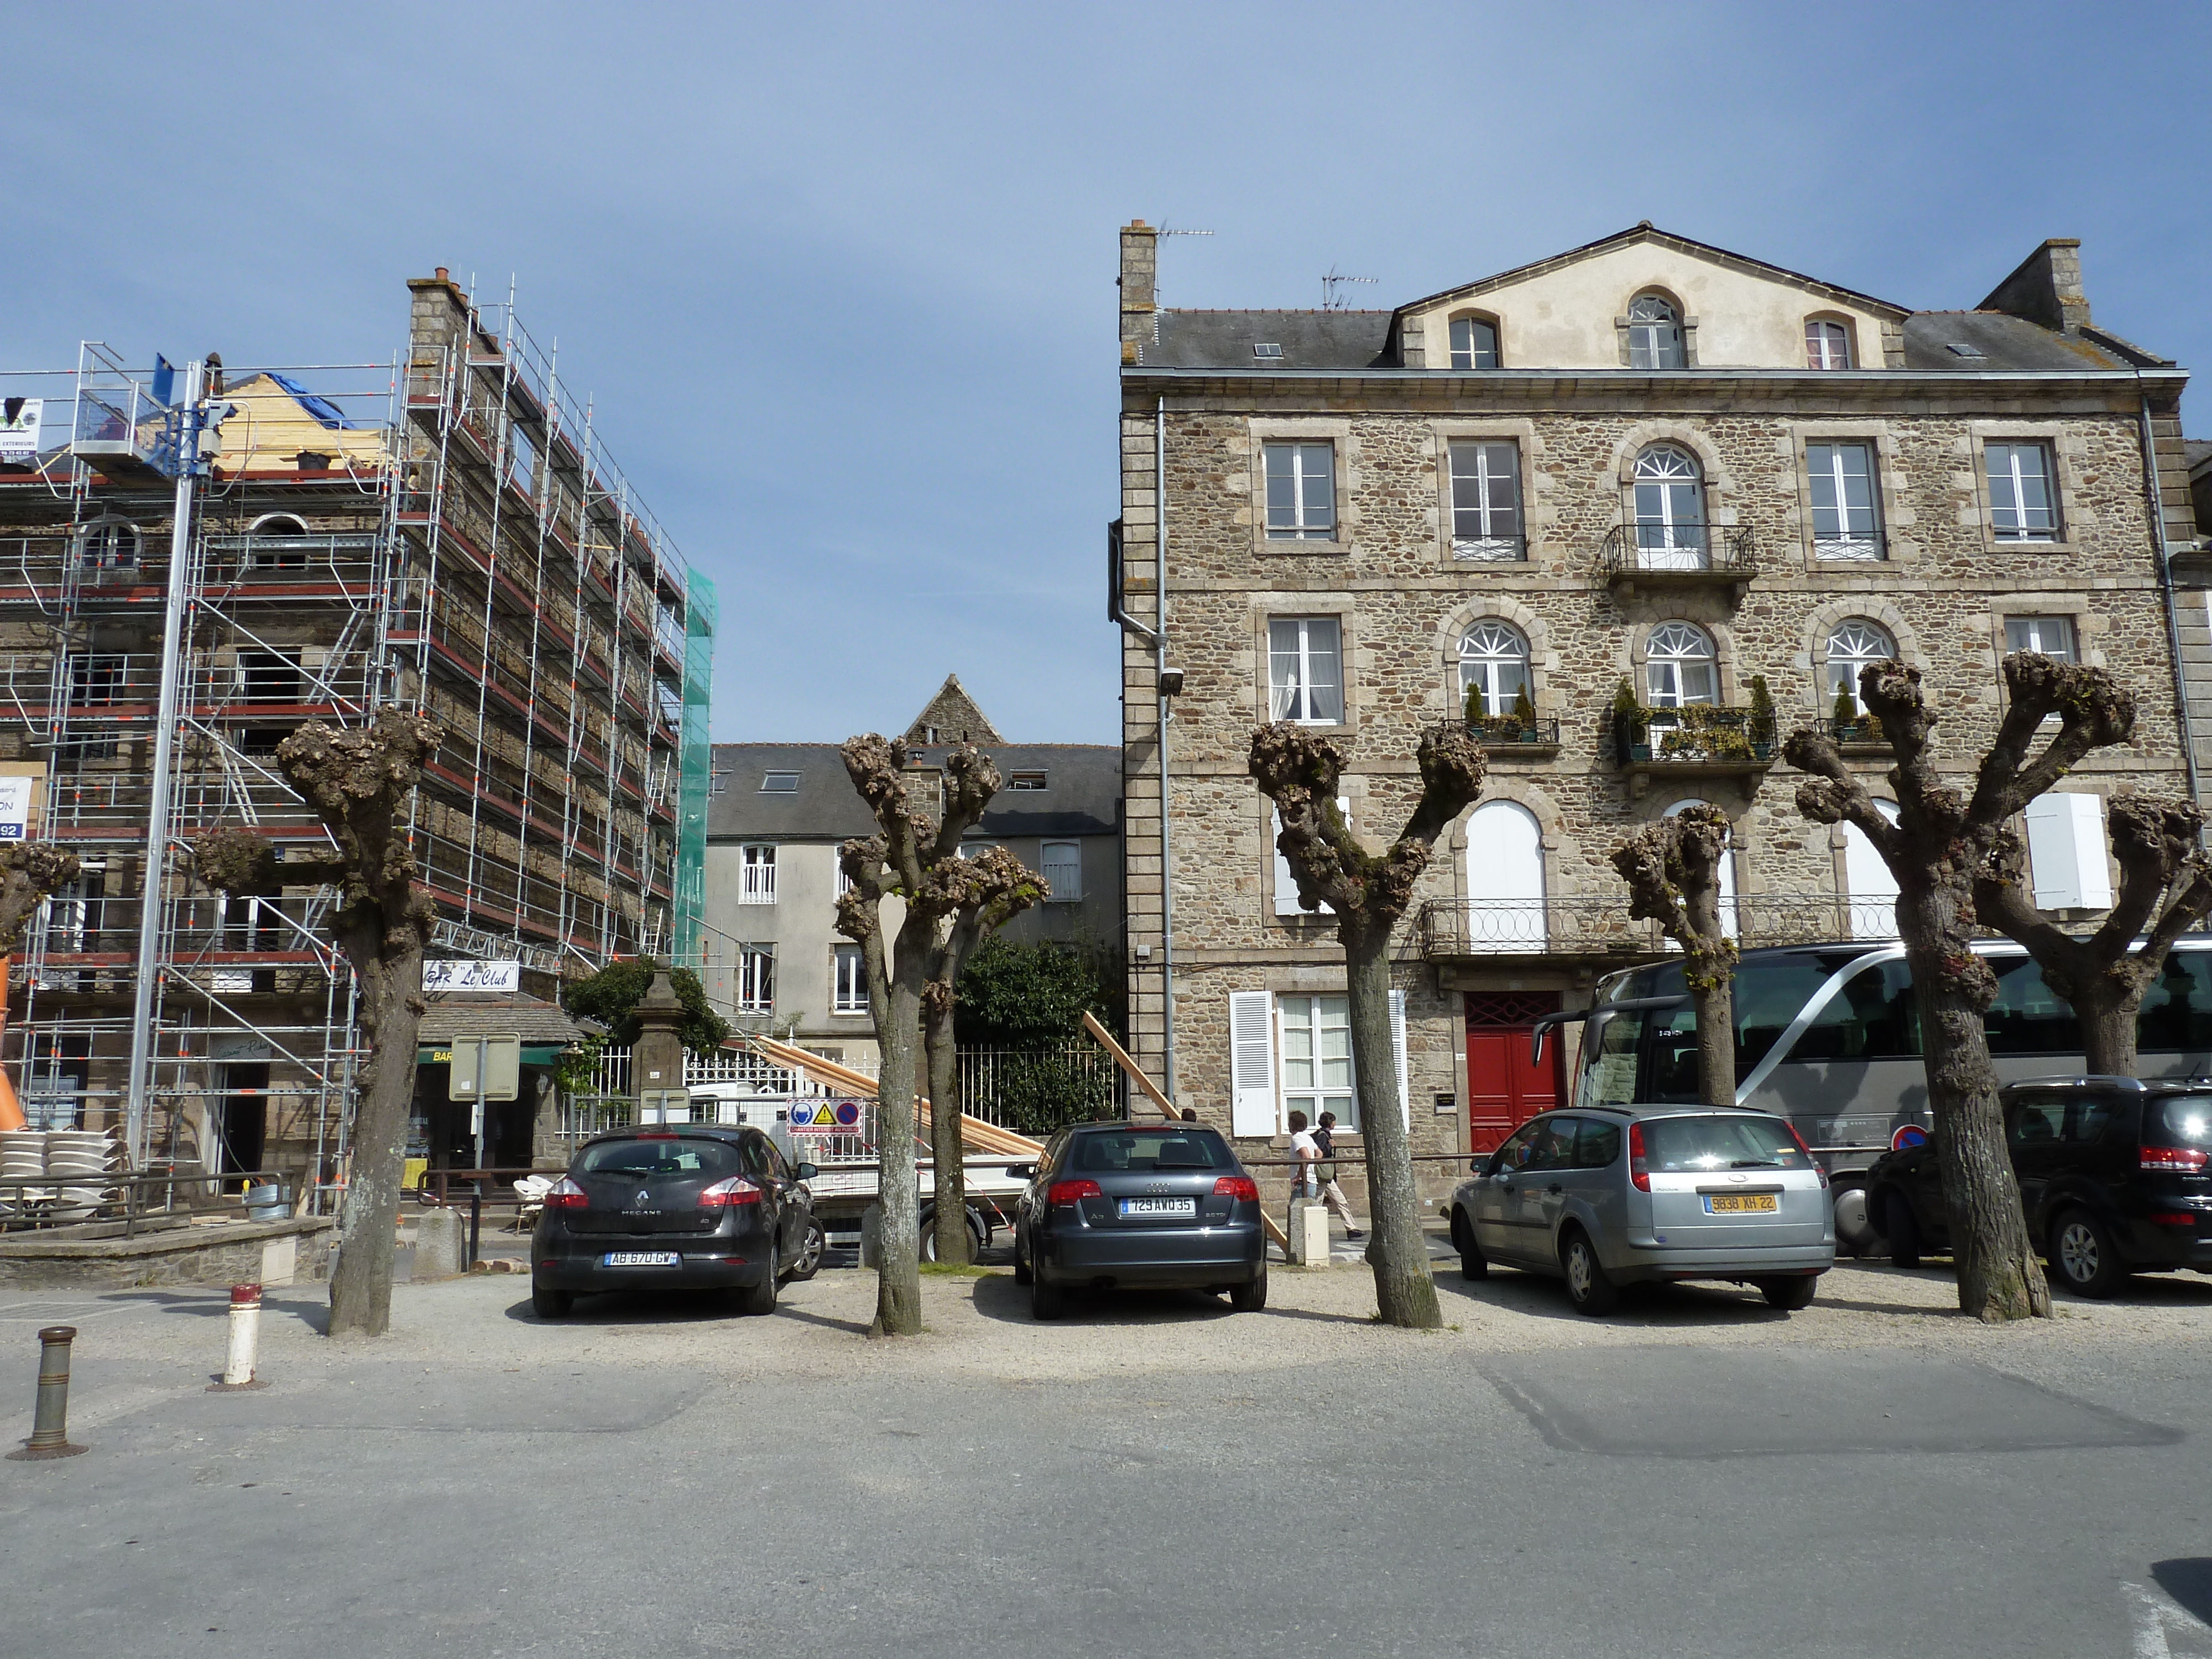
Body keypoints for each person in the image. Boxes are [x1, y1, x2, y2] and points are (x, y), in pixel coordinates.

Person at [1313, 1111, 1363, 1240]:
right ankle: (1314, 1229)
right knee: (1318, 1203)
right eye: (1334, 1121)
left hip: (1327, 1177)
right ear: (1330, 1123)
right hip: (1323, 1175)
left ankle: (1351, 1228)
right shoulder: (1323, 1136)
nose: (1335, 1123)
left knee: (1340, 1201)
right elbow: (1320, 1153)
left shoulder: (1322, 1134)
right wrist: (1330, 1146)